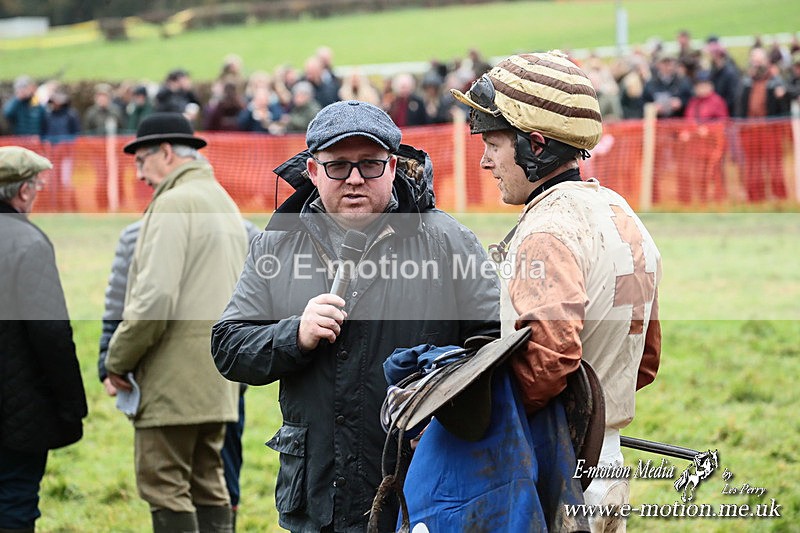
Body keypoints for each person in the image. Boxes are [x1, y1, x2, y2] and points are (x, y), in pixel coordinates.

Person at [210, 100, 500, 532]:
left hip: (422, 493)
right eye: (338, 167)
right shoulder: (276, 245)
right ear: (312, 171)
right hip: (317, 497)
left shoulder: (448, 242)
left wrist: (445, 393)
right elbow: (229, 345)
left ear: (394, 166)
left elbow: (495, 343)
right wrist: (295, 335)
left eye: (370, 165)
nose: (355, 180)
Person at [451, 50, 662, 532]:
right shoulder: (620, 213)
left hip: (553, 473)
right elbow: (645, 362)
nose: (485, 161)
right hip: (607, 469)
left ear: (536, 145)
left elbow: (550, 361)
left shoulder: (547, 229)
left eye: (494, 145)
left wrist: (475, 419)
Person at [104, 113, 249, 532]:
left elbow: (155, 299)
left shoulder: (172, 203)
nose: (140, 173)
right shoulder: (222, 200)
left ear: (166, 153)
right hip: (217, 378)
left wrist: (117, 360)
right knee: (209, 481)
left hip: (171, 381)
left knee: (164, 484)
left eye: (141, 160)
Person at [97, 214, 260, 531]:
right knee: (194, 477)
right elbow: (120, 300)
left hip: (221, 378)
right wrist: (107, 359)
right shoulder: (136, 235)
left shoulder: (245, 232)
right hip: (174, 382)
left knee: (218, 475)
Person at [0, 146, 88, 532]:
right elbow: (50, 332)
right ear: (22, 192)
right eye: (36, 185)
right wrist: (72, 404)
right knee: (15, 502)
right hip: (16, 410)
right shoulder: (27, 242)